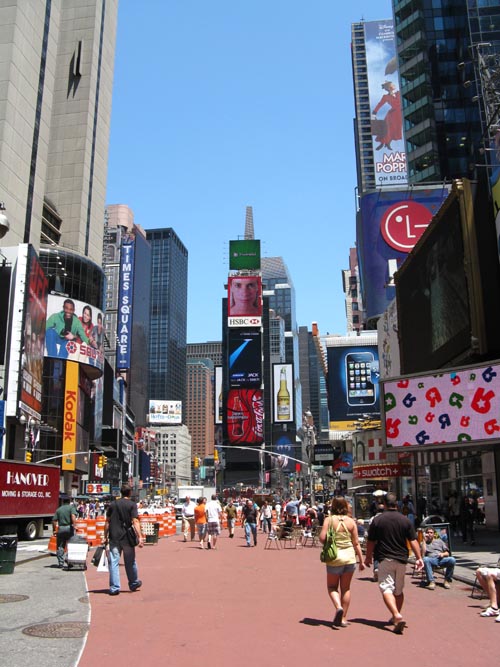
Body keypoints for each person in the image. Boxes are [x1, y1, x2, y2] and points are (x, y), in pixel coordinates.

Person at [365, 492, 423, 634]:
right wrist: (419, 558)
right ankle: (395, 616)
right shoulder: (405, 520)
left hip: (385, 558)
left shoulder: (378, 520)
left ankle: (396, 614)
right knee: (399, 590)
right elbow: (413, 540)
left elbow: (371, 541)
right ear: (396, 504)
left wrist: (368, 557)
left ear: (384, 504)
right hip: (402, 559)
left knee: (386, 588)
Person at [319, 497, 365, 628]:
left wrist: (330, 539)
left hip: (334, 557)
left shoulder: (329, 520)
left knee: (332, 587)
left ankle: (338, 606)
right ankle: (343, 618)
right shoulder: (351, 521)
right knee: (346, 588)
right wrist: (361, 561)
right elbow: (356, 543)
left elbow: (322, 538)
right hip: (349, 557)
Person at [104, 484, 144, 595]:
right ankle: (133, 583)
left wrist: (105, 536)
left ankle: (114, 587)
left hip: (114, 536)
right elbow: (135, 521)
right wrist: (140, 537)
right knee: (130, 561)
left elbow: (107, 522)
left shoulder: (113, 504)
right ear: (130, 493)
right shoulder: (132, 505)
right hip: (127, 537)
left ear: (121, 492)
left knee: (114, 562)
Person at [371, 80, 402, 151]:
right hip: (392, 115)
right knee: (386, 129)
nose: (394, 86)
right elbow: (379, 104)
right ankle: (382, 143)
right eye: (392, 85)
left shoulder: (399, 93)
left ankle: (388, 143)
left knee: (395, 129)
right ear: (389, 87)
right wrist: (374, 113)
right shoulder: (385, 97)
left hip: (399, 114)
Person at [52, 498, 77, 569]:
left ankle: (61, 563)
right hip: (69, 528)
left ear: (63, 501)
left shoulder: (59, 509)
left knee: (60, 546)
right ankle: (69, 560)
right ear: (69, 502)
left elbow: (54, 521)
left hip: (61, 528)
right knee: (71, 545)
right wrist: (75, 525)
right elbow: (73, 516)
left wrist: (54, 530)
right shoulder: (71, 508)